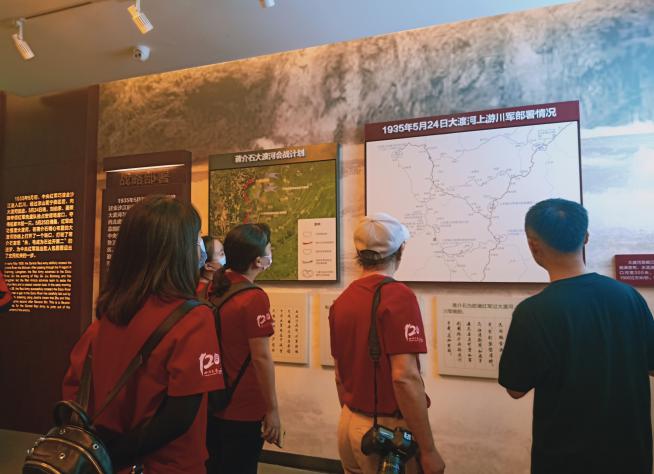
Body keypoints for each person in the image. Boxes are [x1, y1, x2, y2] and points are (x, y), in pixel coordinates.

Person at [62, 195, 223, 474]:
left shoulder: (107, 316)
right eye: (196, 239)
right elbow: (178, 418)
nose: (201, 249)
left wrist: (103, 457)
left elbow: (74, 391)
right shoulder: (194, 318)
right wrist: (116, 456)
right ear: (179, 249)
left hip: (102, 460)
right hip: (165, 465)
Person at [498, 198, 654, 474]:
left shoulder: (533, 312)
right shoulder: (629, 296)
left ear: (533, 245)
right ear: (586, 237)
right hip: (631, 455)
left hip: (564, 460)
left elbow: (515, 389)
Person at [329, 212, 446, 474]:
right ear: (400, 250)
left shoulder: (342, 301)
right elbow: (404, 377)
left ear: (359, 253)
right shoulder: (398, 297)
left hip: (349, 424)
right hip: (386, 432)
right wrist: (428, 450)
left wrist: (356, 420)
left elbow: (339, 376)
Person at [206, 223, 281, 474]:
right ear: (258, 261)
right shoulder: (254, 298)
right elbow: (261, 358)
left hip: (213, 399)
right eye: (269, 249)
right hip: (243, 407)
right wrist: (272, 410)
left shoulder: (213, 287)